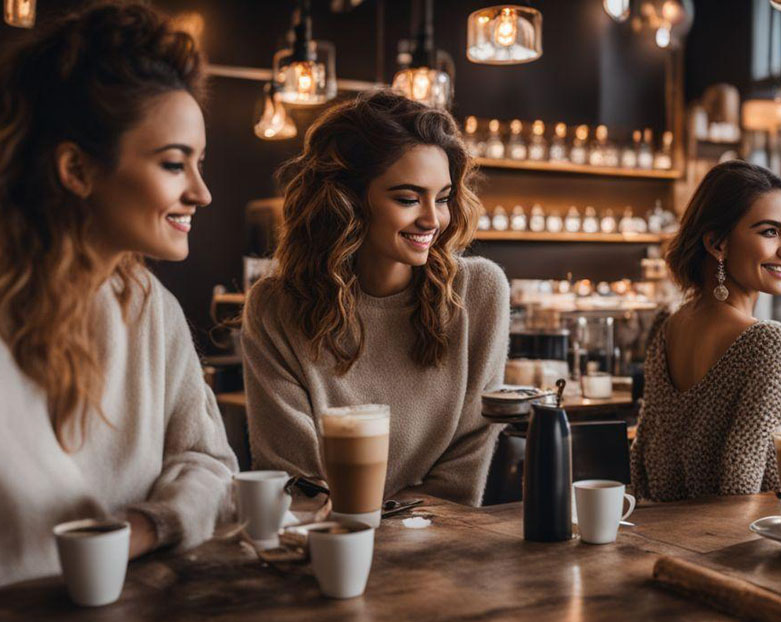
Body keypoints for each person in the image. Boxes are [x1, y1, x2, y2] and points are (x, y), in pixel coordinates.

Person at [0, 2, 237, 586]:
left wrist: (145, 527)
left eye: (199, 163)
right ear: (77, 169)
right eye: (174, 164)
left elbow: (209, 463)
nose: (202, 193)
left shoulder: (151, 308)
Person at [242, 90, 509, 506]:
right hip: (327, 542)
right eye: (407, 198)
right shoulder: (275, 307)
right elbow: (295, 480)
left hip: (444, 545)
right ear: (346, 201)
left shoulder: (480, 293)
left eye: (442, 198)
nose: (433, 219)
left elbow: (464, 470)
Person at [630, 160, 781, 501]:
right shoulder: (771, 344)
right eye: (770, 232)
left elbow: (641, 459)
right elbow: (739, 485)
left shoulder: (665, 326)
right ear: (717, 244)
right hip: (735, 546)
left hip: (660, 538)